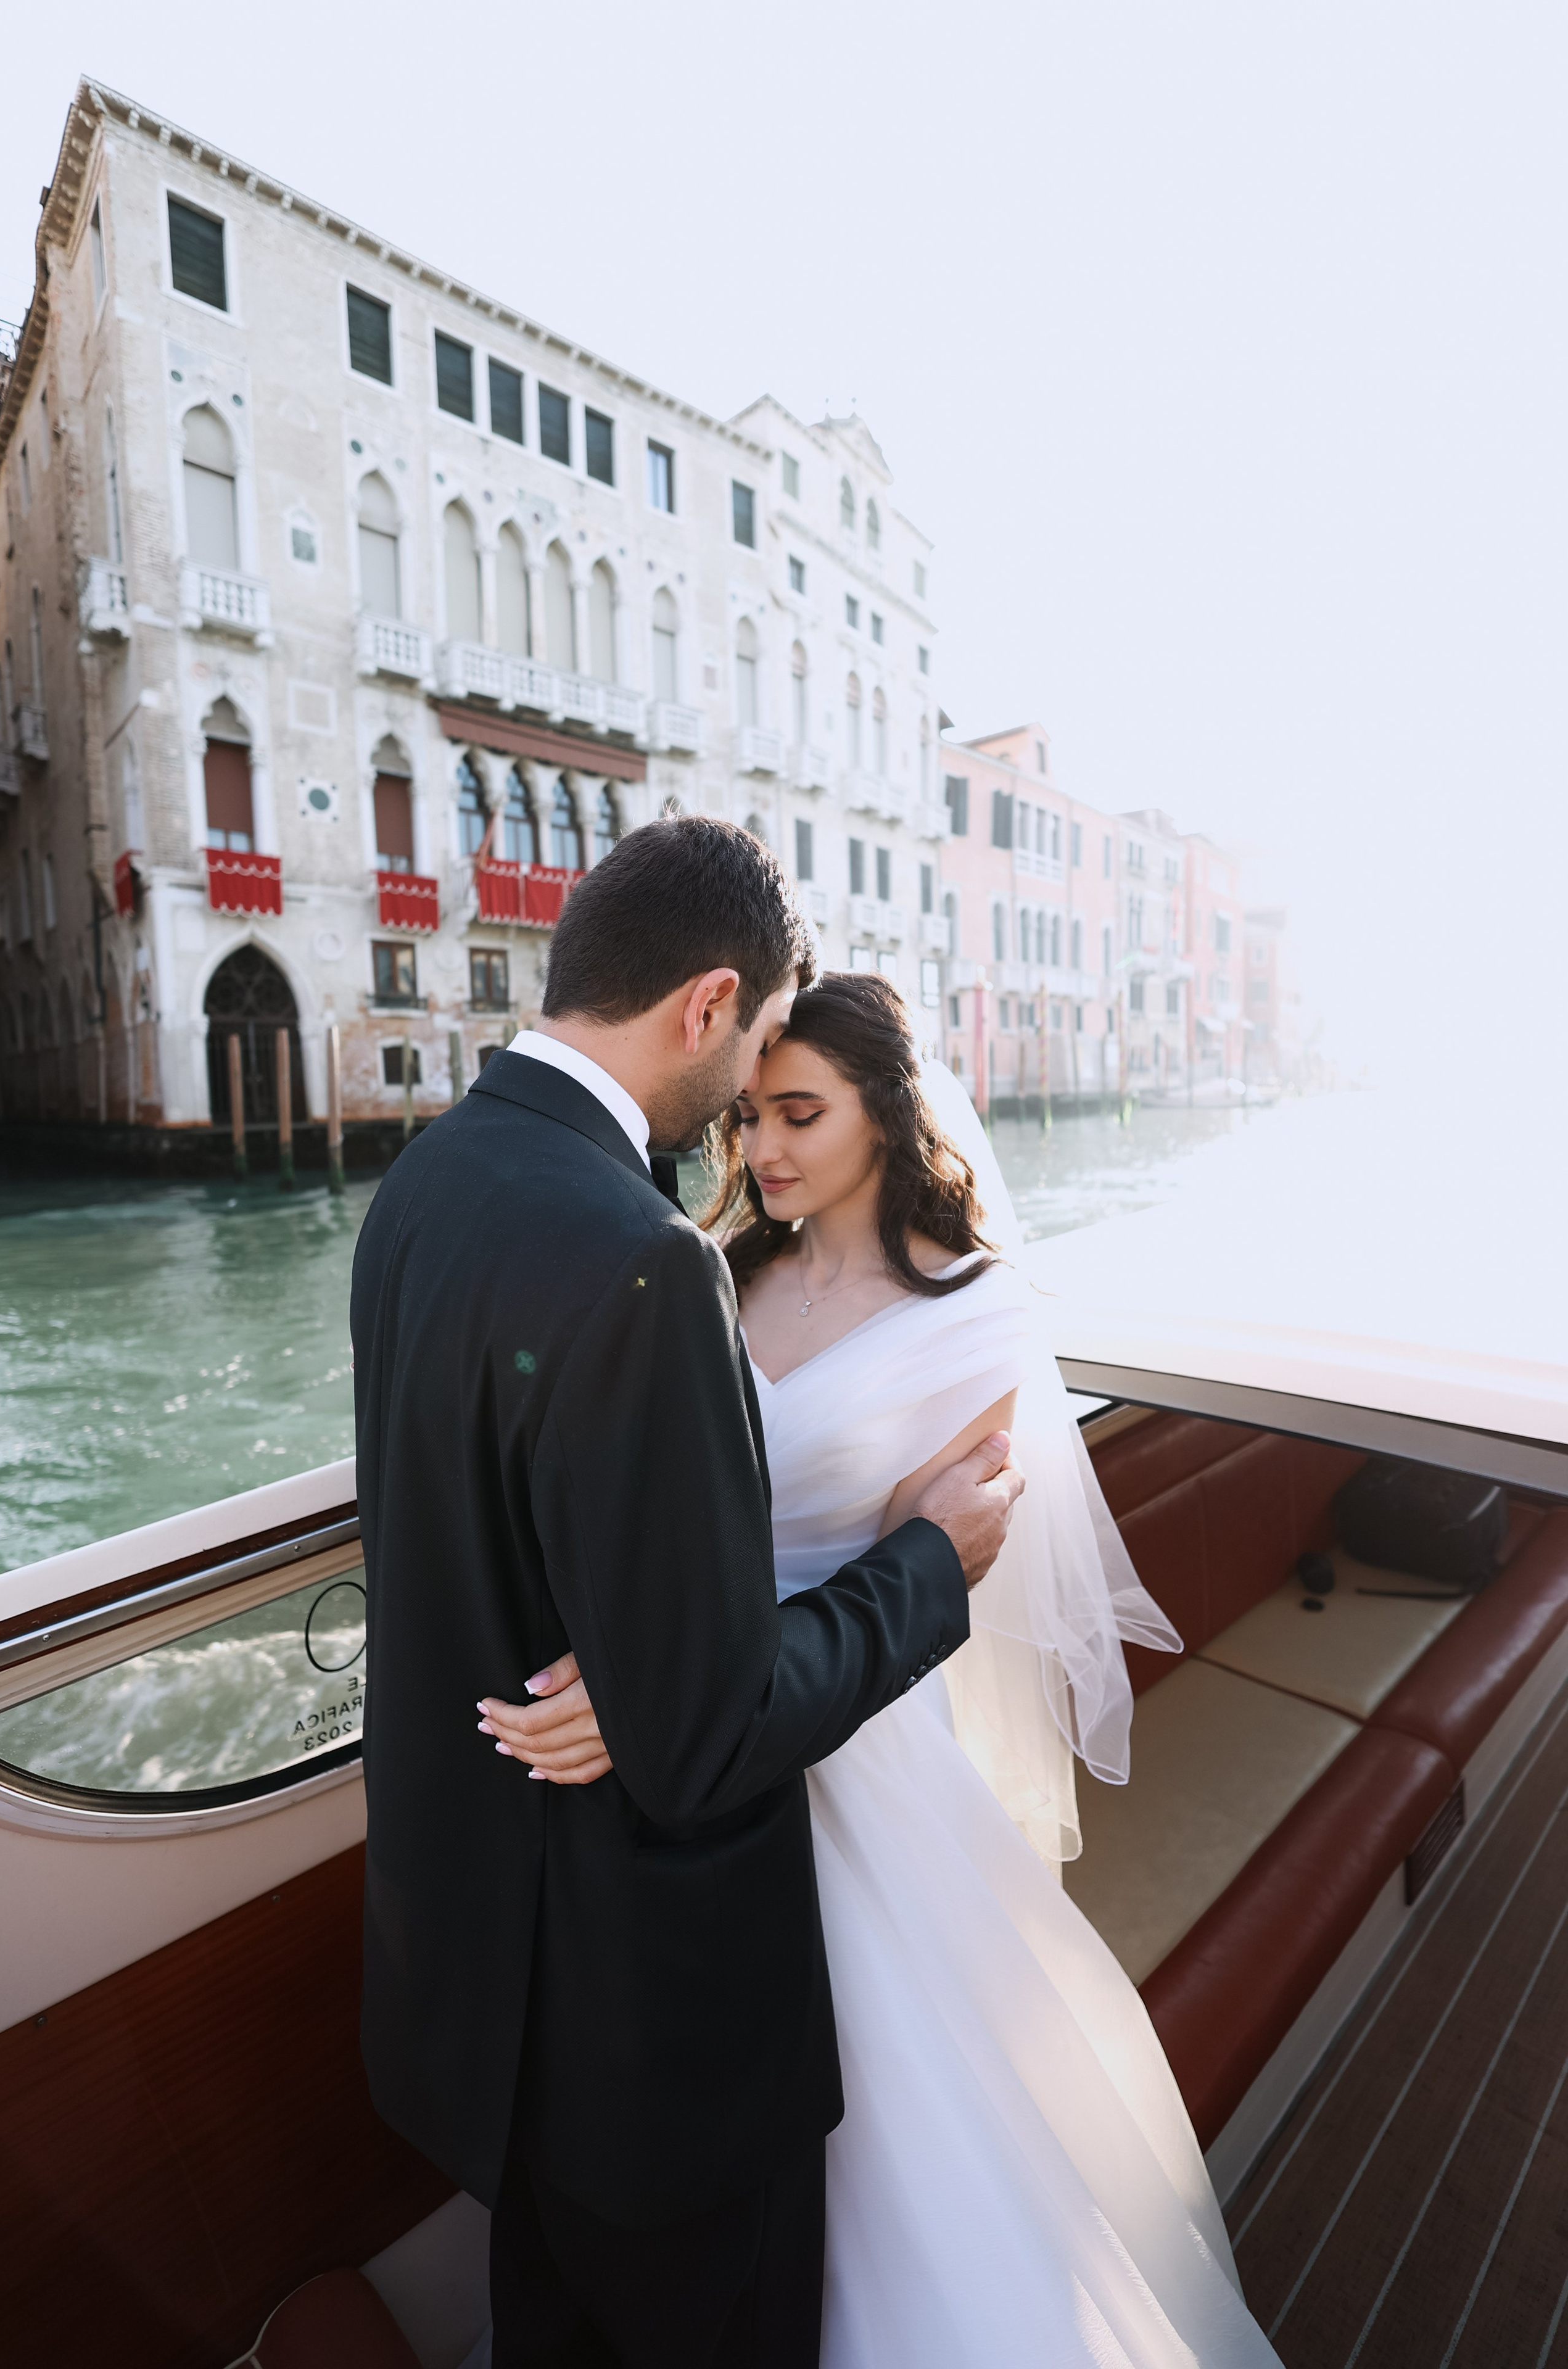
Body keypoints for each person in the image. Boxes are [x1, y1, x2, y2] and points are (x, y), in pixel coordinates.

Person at [490, 970, 1285, 2368]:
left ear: (887, 1113)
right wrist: (632, 1672)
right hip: (700, 1716)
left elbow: (936, 1560)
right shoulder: (707, 1272)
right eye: (747, 1120)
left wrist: (668, 1691)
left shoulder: (978, 1318)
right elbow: (660, 1515)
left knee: (897, 2115)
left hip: (843, 1728)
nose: (764, 1151)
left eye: (799, 1113)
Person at [350, 819, 1025, 2369]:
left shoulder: (422, 1183)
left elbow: (483, 1523)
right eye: (763, 1044)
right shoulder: (650, 1260)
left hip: (478, 1984)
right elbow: (706, 1738)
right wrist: (932, 1565)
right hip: (643, 2027)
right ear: (709, 1004)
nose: (756, 1106)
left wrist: (611, 1664)